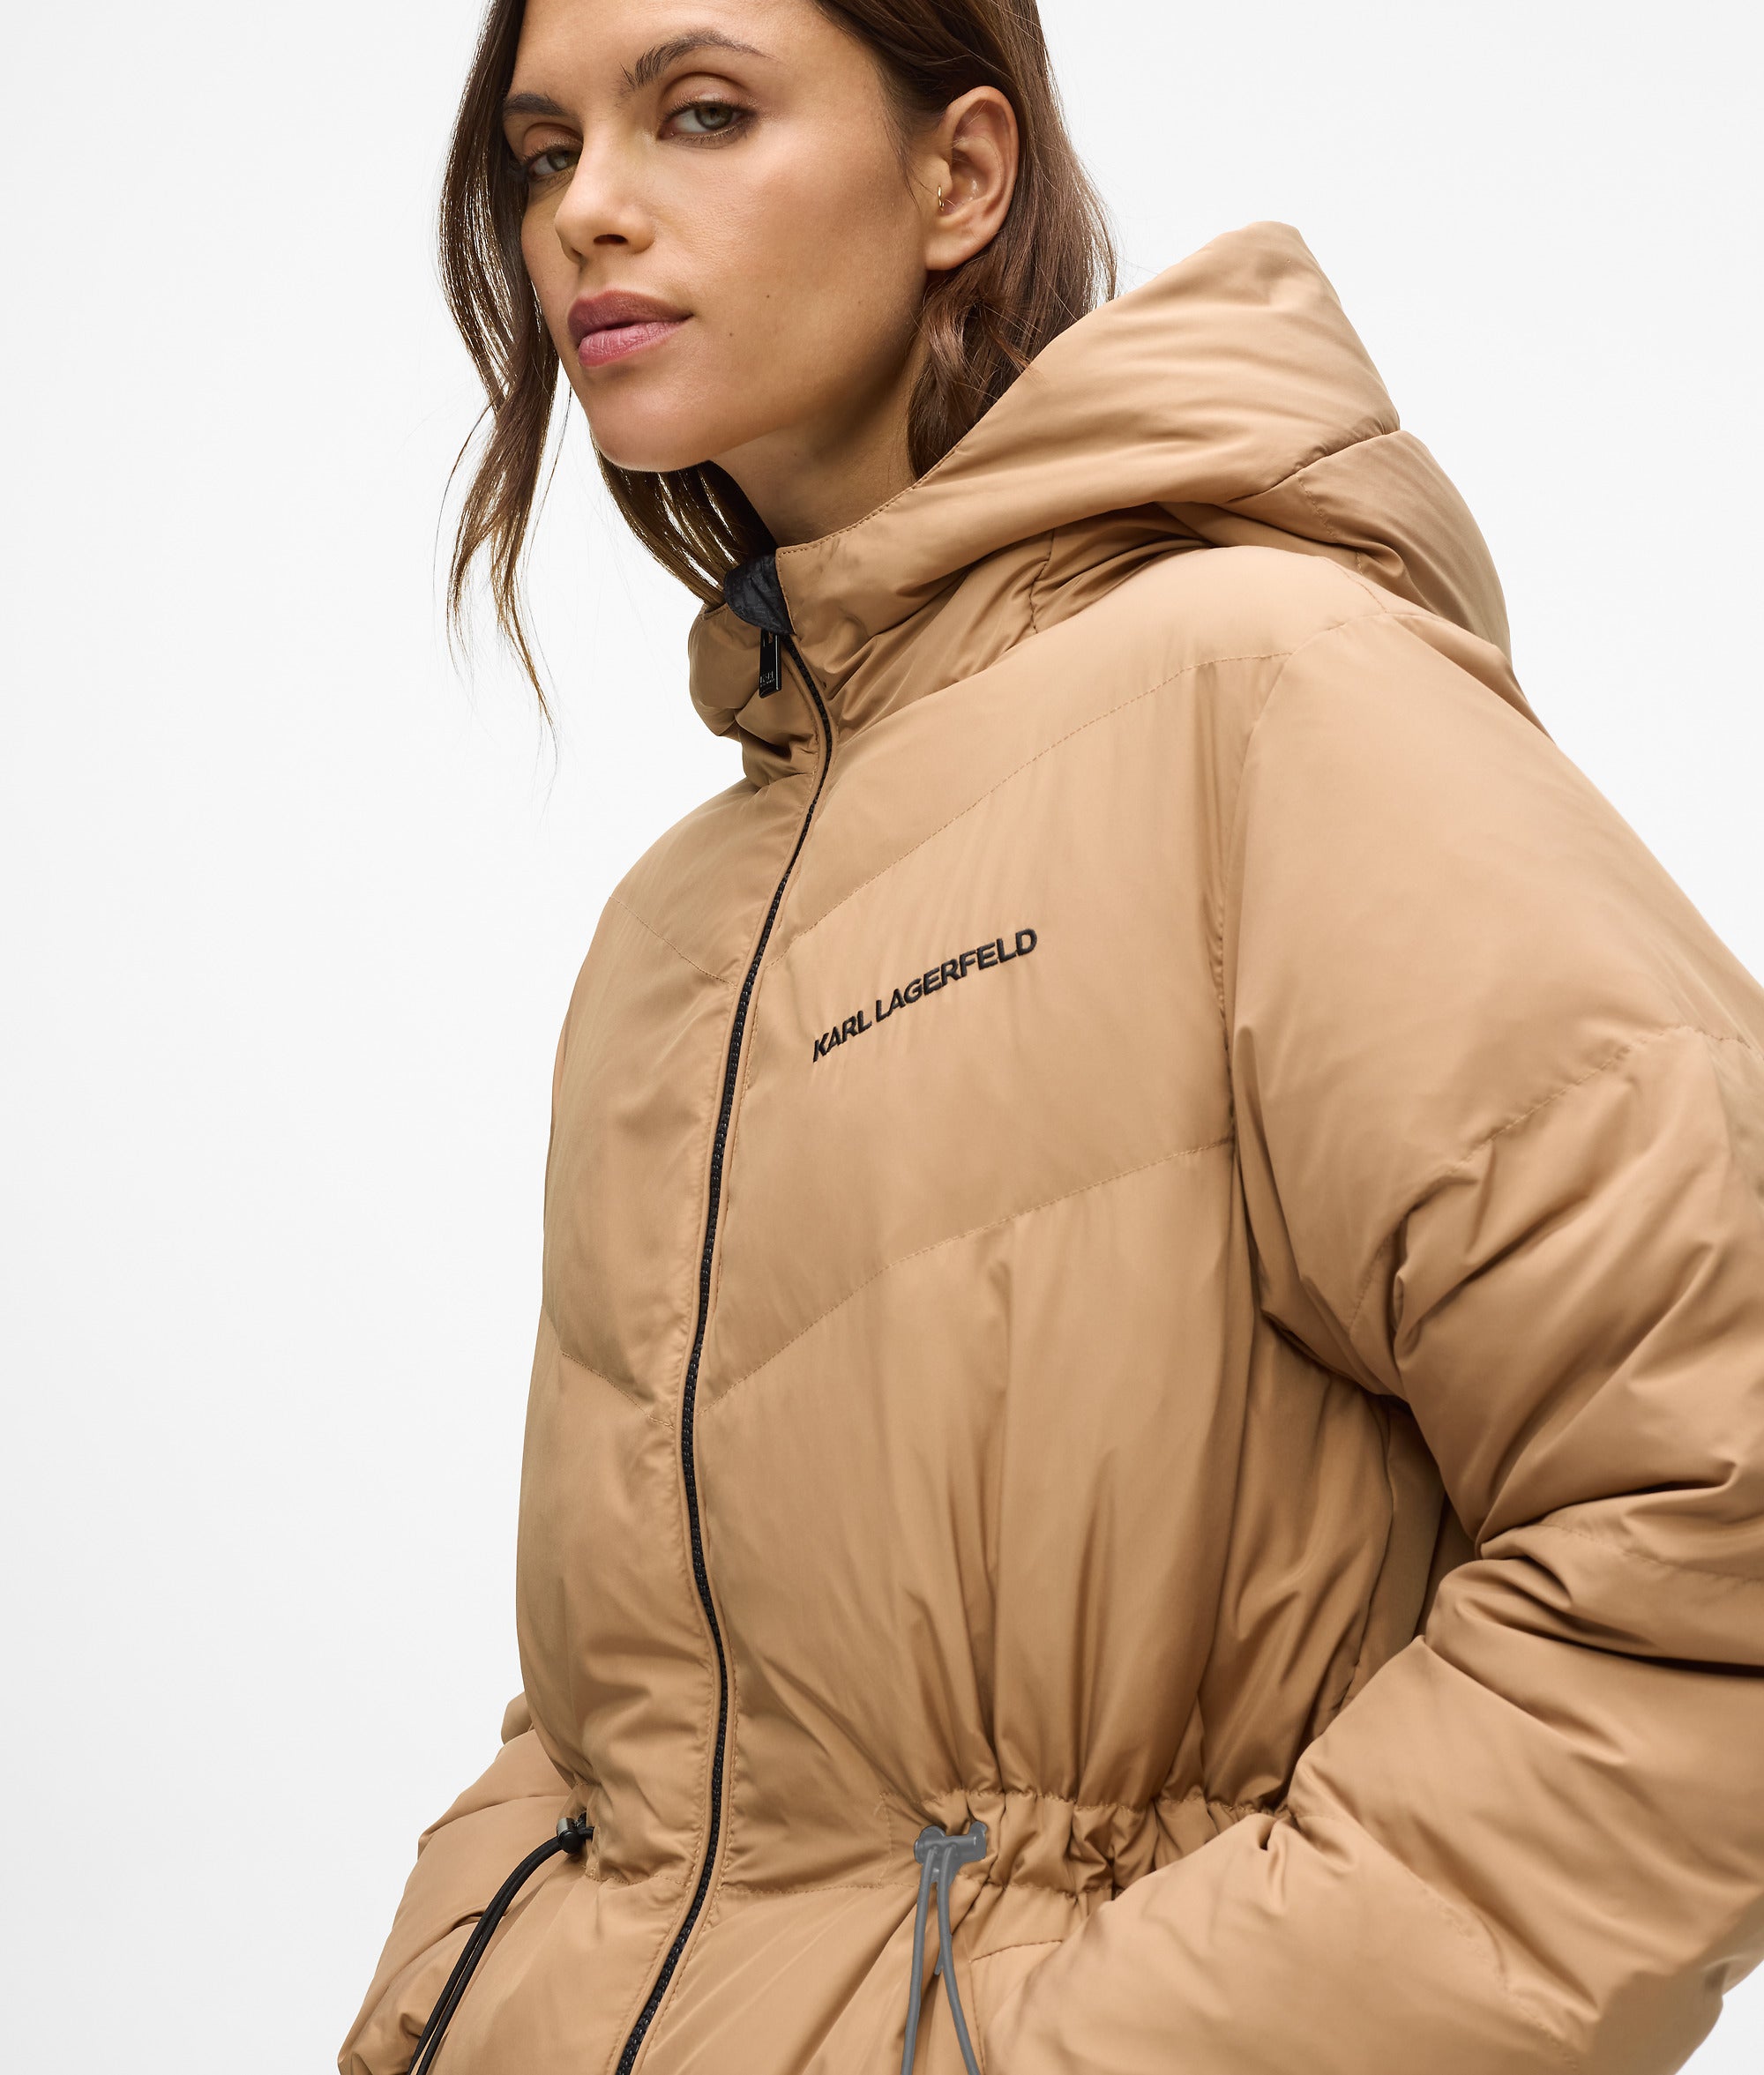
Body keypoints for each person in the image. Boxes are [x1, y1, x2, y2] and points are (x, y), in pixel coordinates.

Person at [341, 2, 1764, 2070]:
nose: (588, 213)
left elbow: (1711, 1504)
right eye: (545, 151)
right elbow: (649, 1726)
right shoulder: (676, 926)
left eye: (701, 112)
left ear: (962, 174)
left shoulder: (1268, 697)